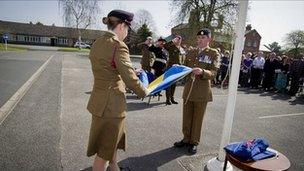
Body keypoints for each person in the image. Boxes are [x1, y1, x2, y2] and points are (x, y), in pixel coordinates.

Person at [86, 10, 148, 171]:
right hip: (111, 106)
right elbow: (129, 79)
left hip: (98, 102)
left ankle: (115, 169)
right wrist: (145, 91)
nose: (127, 33)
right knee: (103, 154)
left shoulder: (97, 42)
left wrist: (130, 71)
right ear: (121, 25)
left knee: (109, 144)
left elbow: (108, 68)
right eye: (127, 29)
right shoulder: (118, 46)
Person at [174, 28, 220, 155]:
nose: (200, 40)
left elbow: (214, 72)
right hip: (189, 90)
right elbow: (184, 66)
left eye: (203, 38)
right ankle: (186, 138)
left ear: (209, 39)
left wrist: (203, 72)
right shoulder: (191, 51)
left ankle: (194, 142)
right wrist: (178, 67)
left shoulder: (214, 53)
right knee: (186, 116)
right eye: (198, 38)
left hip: (202, 92)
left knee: (198, 118)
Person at [163, 35, 184, 105]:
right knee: (169, 84)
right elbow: (165, 46)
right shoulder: (171, 47)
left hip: (178, 68)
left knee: (174, 84)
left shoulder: (181, 48)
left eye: (179, 39)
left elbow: (183, 58)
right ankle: (167, 99)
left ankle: (172, 98)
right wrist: (172, 41)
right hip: (170, 67)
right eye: (177, 39)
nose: (178, 41)